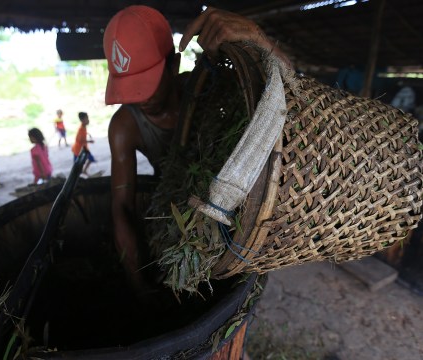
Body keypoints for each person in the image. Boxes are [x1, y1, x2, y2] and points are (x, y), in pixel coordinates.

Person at [104, 5, 290, 293]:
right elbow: (122, 207)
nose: (140, 100)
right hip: (175, 211)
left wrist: (258, 38)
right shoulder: (125, 127)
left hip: (230, 209)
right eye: (131, 89)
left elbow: (289, 98)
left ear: (174, 64)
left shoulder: (211, 88)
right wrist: (137, 284)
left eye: (146, 85)